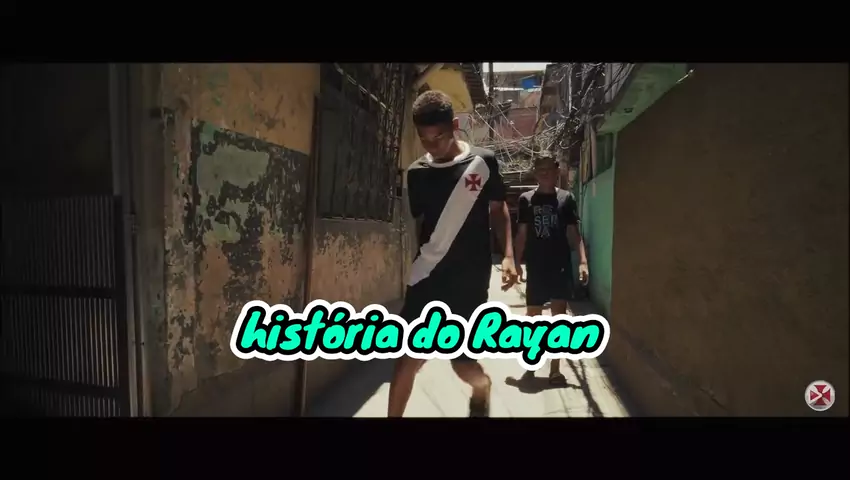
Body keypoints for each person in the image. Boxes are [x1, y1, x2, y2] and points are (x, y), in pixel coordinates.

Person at [388, 90, 518, 417]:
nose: (432, 145)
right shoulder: (417, 173)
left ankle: (482, 386)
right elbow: (420, 226)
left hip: (469, 281)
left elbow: (498, 209)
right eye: (424, 138)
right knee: (406, 360)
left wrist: (508, 255)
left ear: (455, 126)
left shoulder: (483, 162)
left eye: (439, 136)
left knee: (461, 363)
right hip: (427, 277)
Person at [514, 153, 589, 385]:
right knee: (533, 318)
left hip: (560, 266)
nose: (544, 173)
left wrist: (583, 261)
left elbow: (573, 233)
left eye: (549, 168)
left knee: (558, 318)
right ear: (535, 173)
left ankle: (555, 370)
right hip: (536, 267)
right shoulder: (526, 199)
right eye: (540, 169)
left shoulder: (566, 198)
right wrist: (515, 263)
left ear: (557, 171)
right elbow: (522, 234)